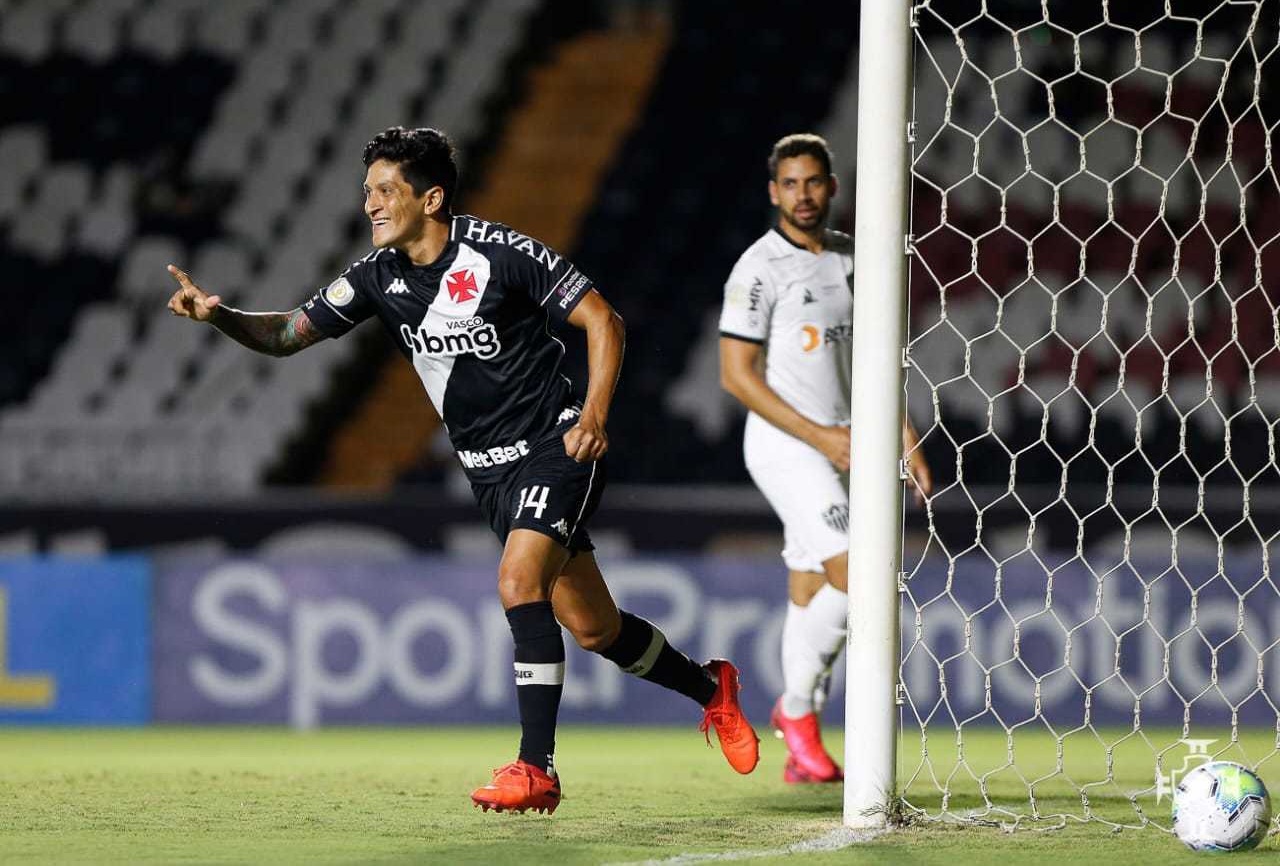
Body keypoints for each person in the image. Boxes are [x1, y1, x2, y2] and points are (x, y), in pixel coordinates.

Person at [165, 126, 759, 814]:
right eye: (367, 192)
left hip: (557, 444)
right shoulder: (376, 277)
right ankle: (712, 689)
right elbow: (289, 333)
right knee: (593, 627)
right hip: (487, 473)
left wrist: (594, 414)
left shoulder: (500, 254)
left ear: (433, 197)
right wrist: (221, 316)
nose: (372, 205)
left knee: (516, 581)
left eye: (386, 191)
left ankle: (535, 768)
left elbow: (602, 320)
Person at [718, 133, 932, 783]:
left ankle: (801, 745)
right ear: (772, 191)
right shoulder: (759, 268)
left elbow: (870, 360)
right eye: (790, 183)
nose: (803, 194)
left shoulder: (852, 259)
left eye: (814, 182)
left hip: (848, 442)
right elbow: (736, 375)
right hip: (788, 443)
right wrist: (818, 434)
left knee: (811, 588)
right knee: (861, 576)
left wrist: (905, 436)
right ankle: (795, 710)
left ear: (832, 187)